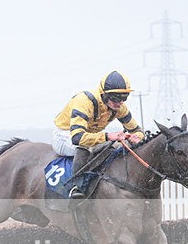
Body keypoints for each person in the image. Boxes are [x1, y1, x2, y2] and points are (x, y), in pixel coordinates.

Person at [52, 71, 145, 199]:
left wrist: (136, 137)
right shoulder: (84, 101)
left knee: (118, 146)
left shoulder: (119, 107)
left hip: (89, 136)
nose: (120, 103)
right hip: (65, 135)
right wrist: (107, 136)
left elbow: (137, 130)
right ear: (104, 94)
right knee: (86, 147)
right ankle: (75, 187)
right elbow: (78, 138)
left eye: (124, 98)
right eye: (117, 98)